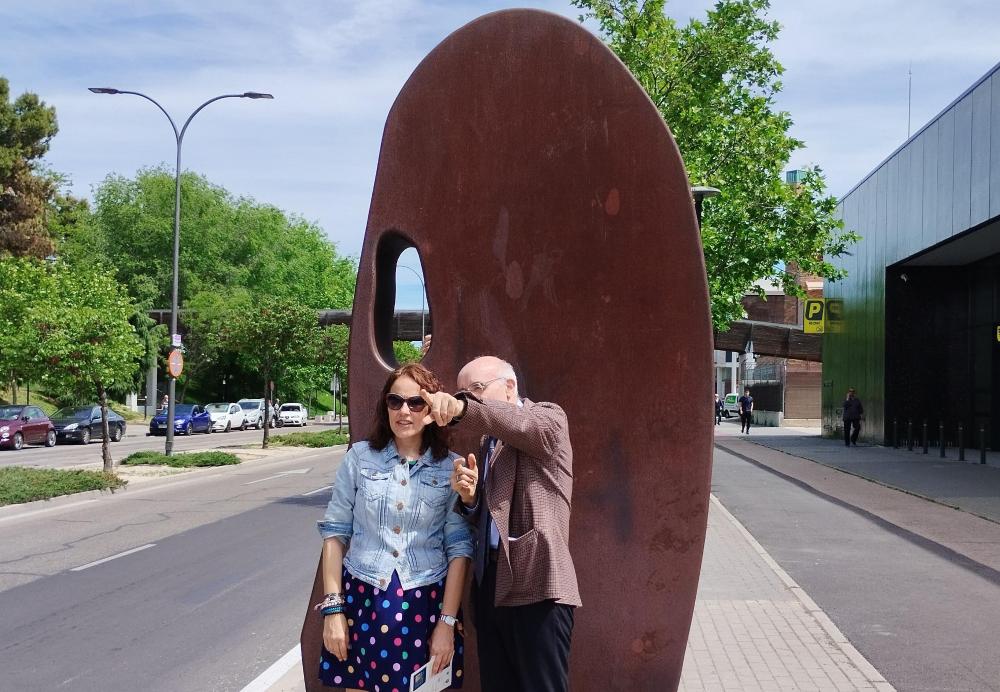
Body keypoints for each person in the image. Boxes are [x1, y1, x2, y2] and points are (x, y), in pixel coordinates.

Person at [422, 356, 580, 692]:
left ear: (510, 387)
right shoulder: (488, 442)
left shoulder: (548, 418)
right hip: (492, 587)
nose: (470, 398)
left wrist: (461, 407)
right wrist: (470, 499)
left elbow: (521, 426)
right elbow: (491, 521)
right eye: (463, 392)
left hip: (539, 585)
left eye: (476, 390)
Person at [316, 363, 473, 691]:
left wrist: (447, 622)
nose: (405, 411)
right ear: (385, 406)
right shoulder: (359, 458)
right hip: (363, 597)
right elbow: (335, 533)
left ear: (430, 409)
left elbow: (459, 547)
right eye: (395, 401)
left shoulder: (451, 467)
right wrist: (333, 609)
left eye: (416, 403)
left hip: (425, 603)